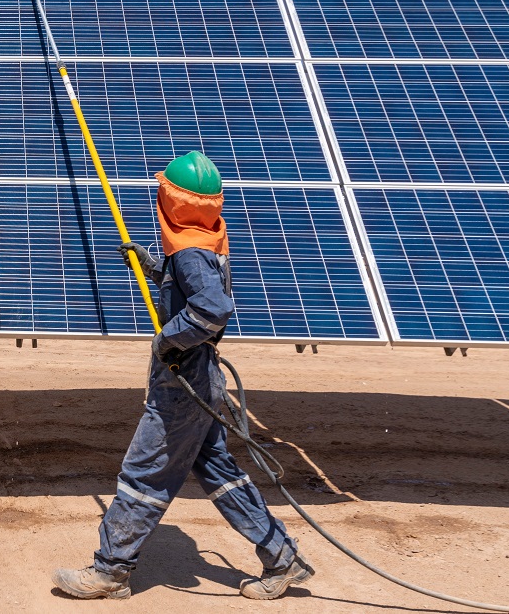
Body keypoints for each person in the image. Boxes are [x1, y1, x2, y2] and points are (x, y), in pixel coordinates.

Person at [51, 151, 314, 601]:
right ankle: (282, 558)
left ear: (172, 202)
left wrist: (167, 340)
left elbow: (212, 308)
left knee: (144, 472)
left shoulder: (190, 252)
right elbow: (193, 290)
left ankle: (111, 570)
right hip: (202, 377)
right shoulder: (204, 241)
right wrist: (155, 267)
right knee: (217, 470)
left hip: (184, 381)